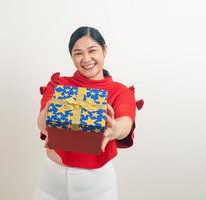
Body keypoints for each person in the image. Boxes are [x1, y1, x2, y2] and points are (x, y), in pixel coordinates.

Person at [35, 26, 142, 200]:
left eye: (92, 50)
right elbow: (41, 121)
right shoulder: (59, 85)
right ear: (71, 57)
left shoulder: (119, 91)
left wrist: (115, 129)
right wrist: (46, 118)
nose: (86, 59)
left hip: (97, 186)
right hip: (50, 183)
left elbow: (125, 121)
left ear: (104, 50)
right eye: (78, 53)